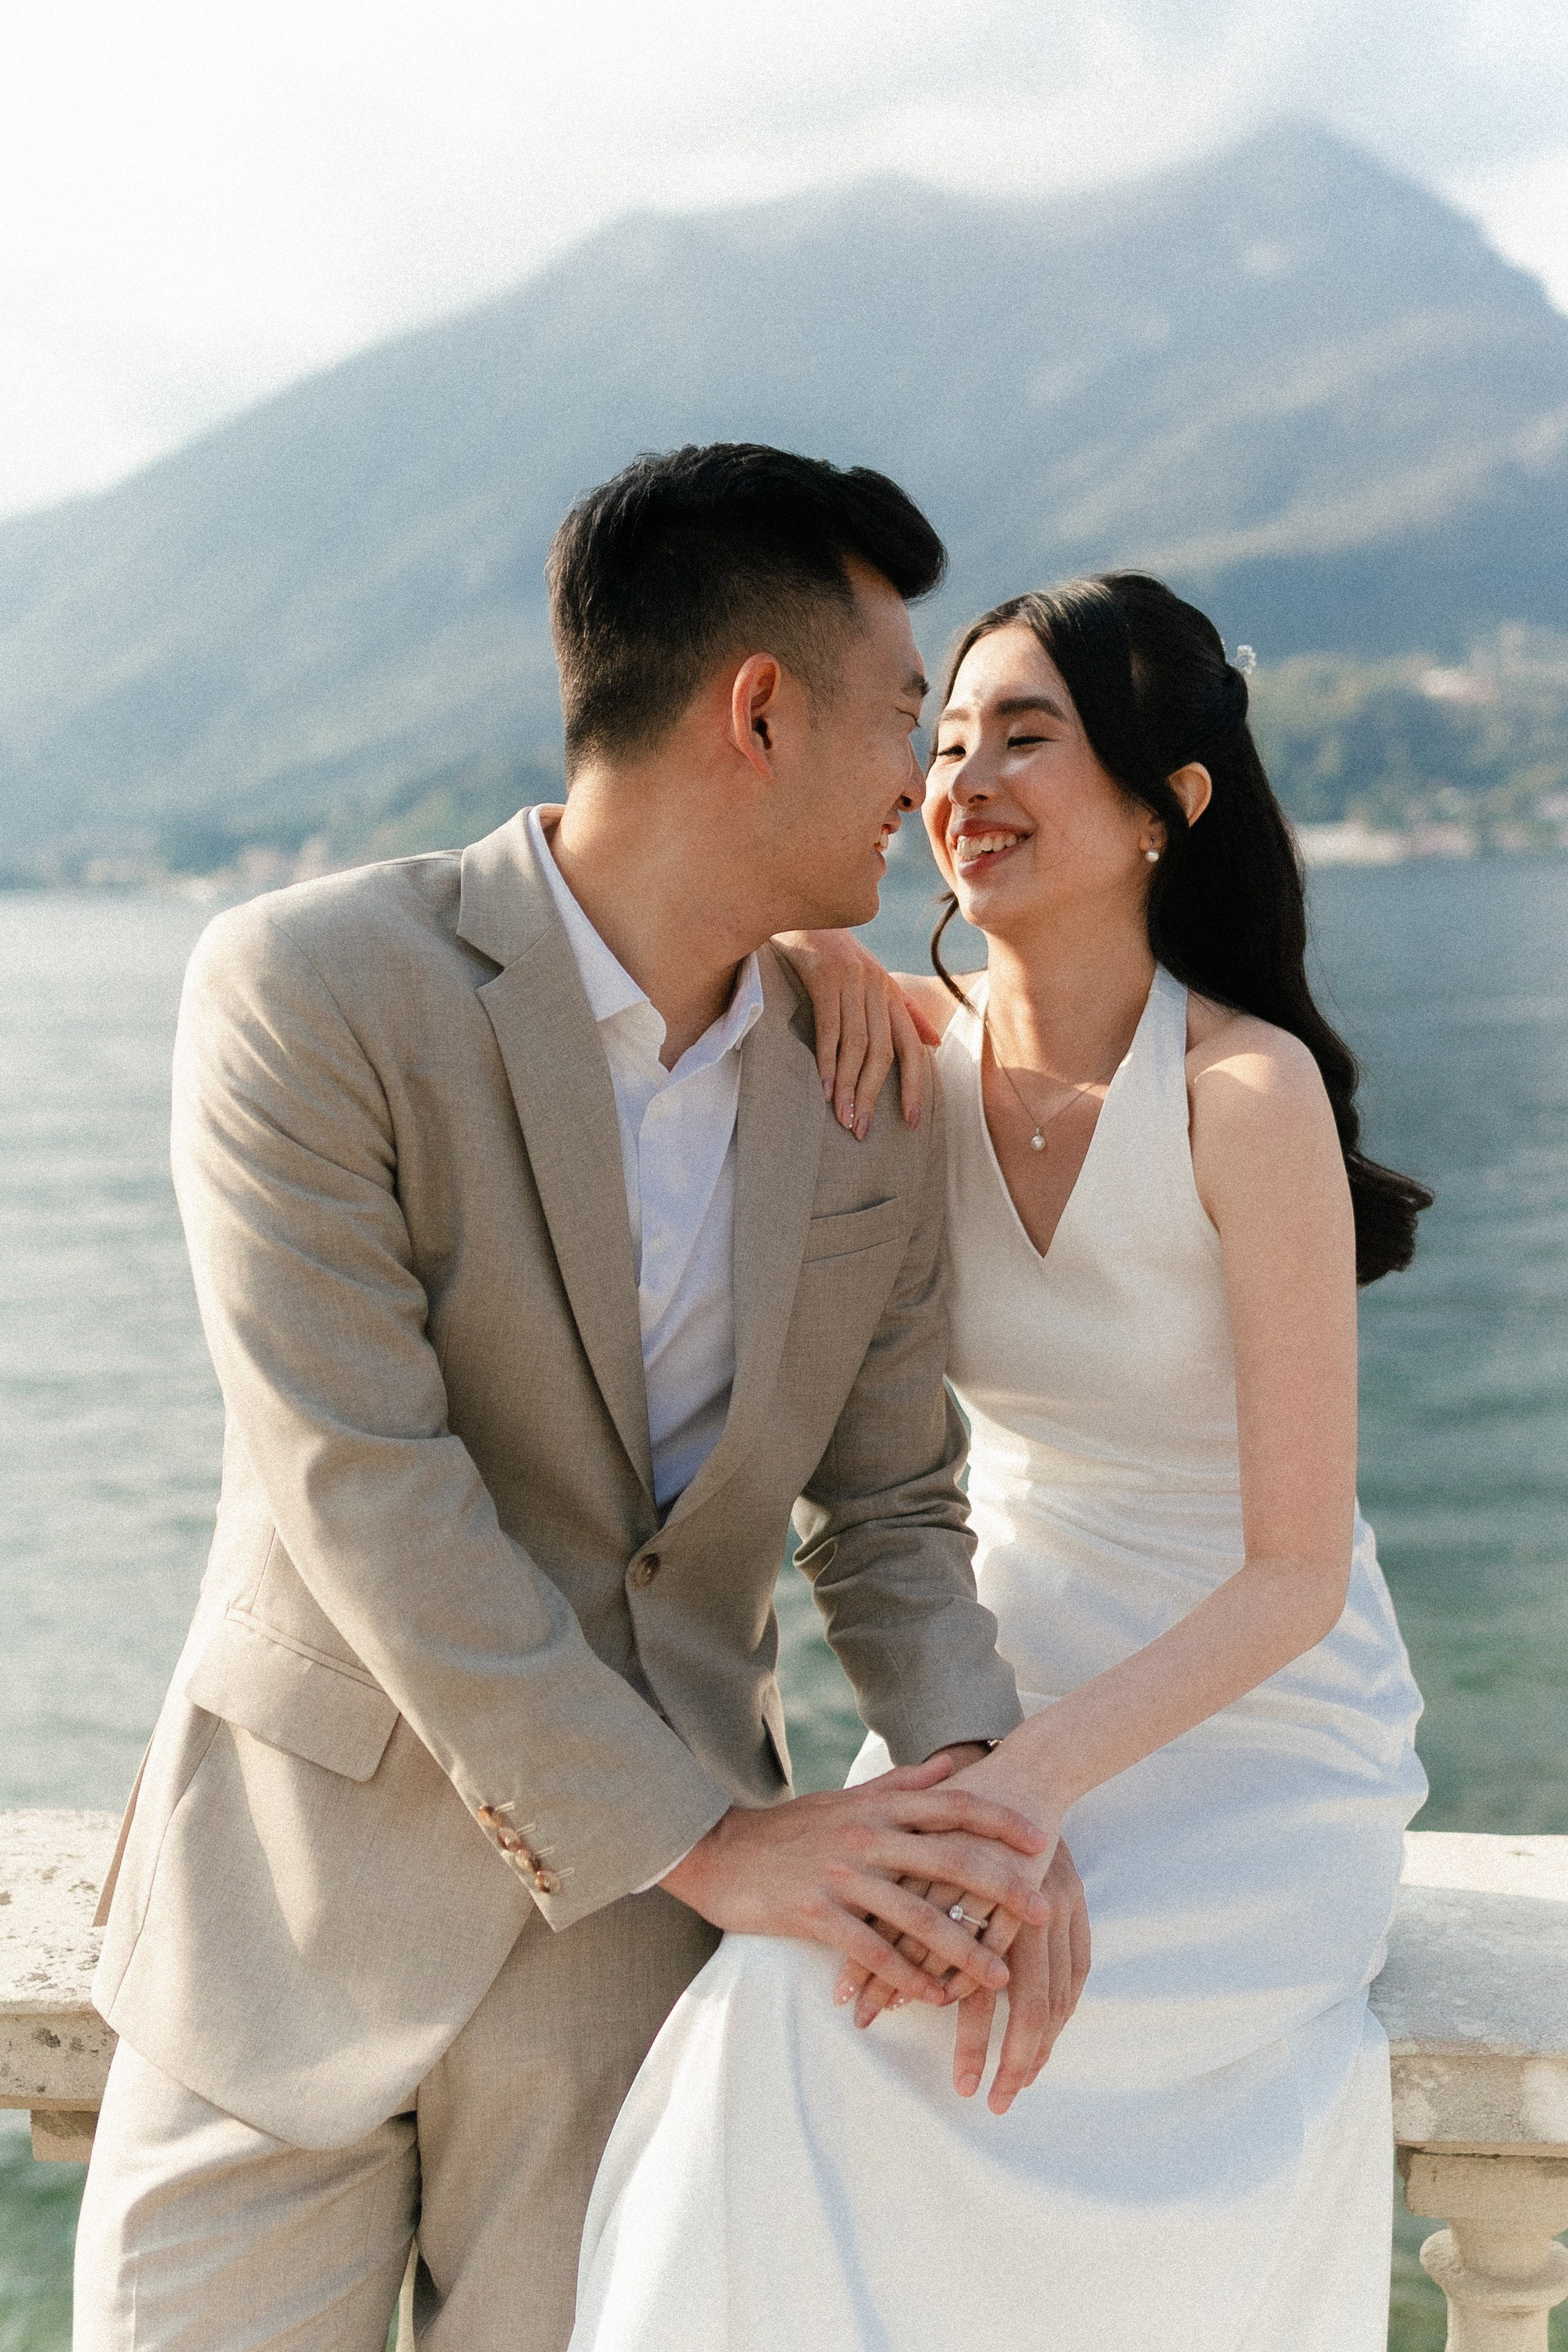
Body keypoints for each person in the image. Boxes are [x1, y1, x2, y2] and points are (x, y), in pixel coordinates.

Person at [73, 445, 1092, 2352]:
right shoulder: (308, 989)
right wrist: (716, 1842)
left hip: (636, 1987)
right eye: (899, 718)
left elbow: (889, 1519)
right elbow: (359, 1479)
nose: (924, 782)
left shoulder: (866, 1091)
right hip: (284, 1923)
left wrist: (983, 1825)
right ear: (758, 711)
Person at [569, 574, 1432, 2352]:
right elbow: (712, 936)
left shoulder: (1244, 1096)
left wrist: (1023, 1798)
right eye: (943, 739)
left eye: (1025, 737)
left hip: (1251, 1732)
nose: (962, 781)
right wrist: (805, 947)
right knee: (797, 2004)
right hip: (1000, 1678)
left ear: (1163, 805)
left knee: (1055, 2023)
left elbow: (1293, 1577)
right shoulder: (901, 1044)